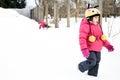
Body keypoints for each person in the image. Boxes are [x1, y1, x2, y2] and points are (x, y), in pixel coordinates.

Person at [78, 8, 114, 77]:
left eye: (98, 17)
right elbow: (82, 38)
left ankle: (92, 75)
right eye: (95, 17)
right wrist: (84, 49)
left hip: (98, 48)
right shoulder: (85, 25)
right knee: (92, 61)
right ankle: (81, 67)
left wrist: (108, 45)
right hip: (89, 48)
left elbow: (102, 37)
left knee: (97, 61)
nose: (97, 19)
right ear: (90, 18)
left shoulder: (98, 25)